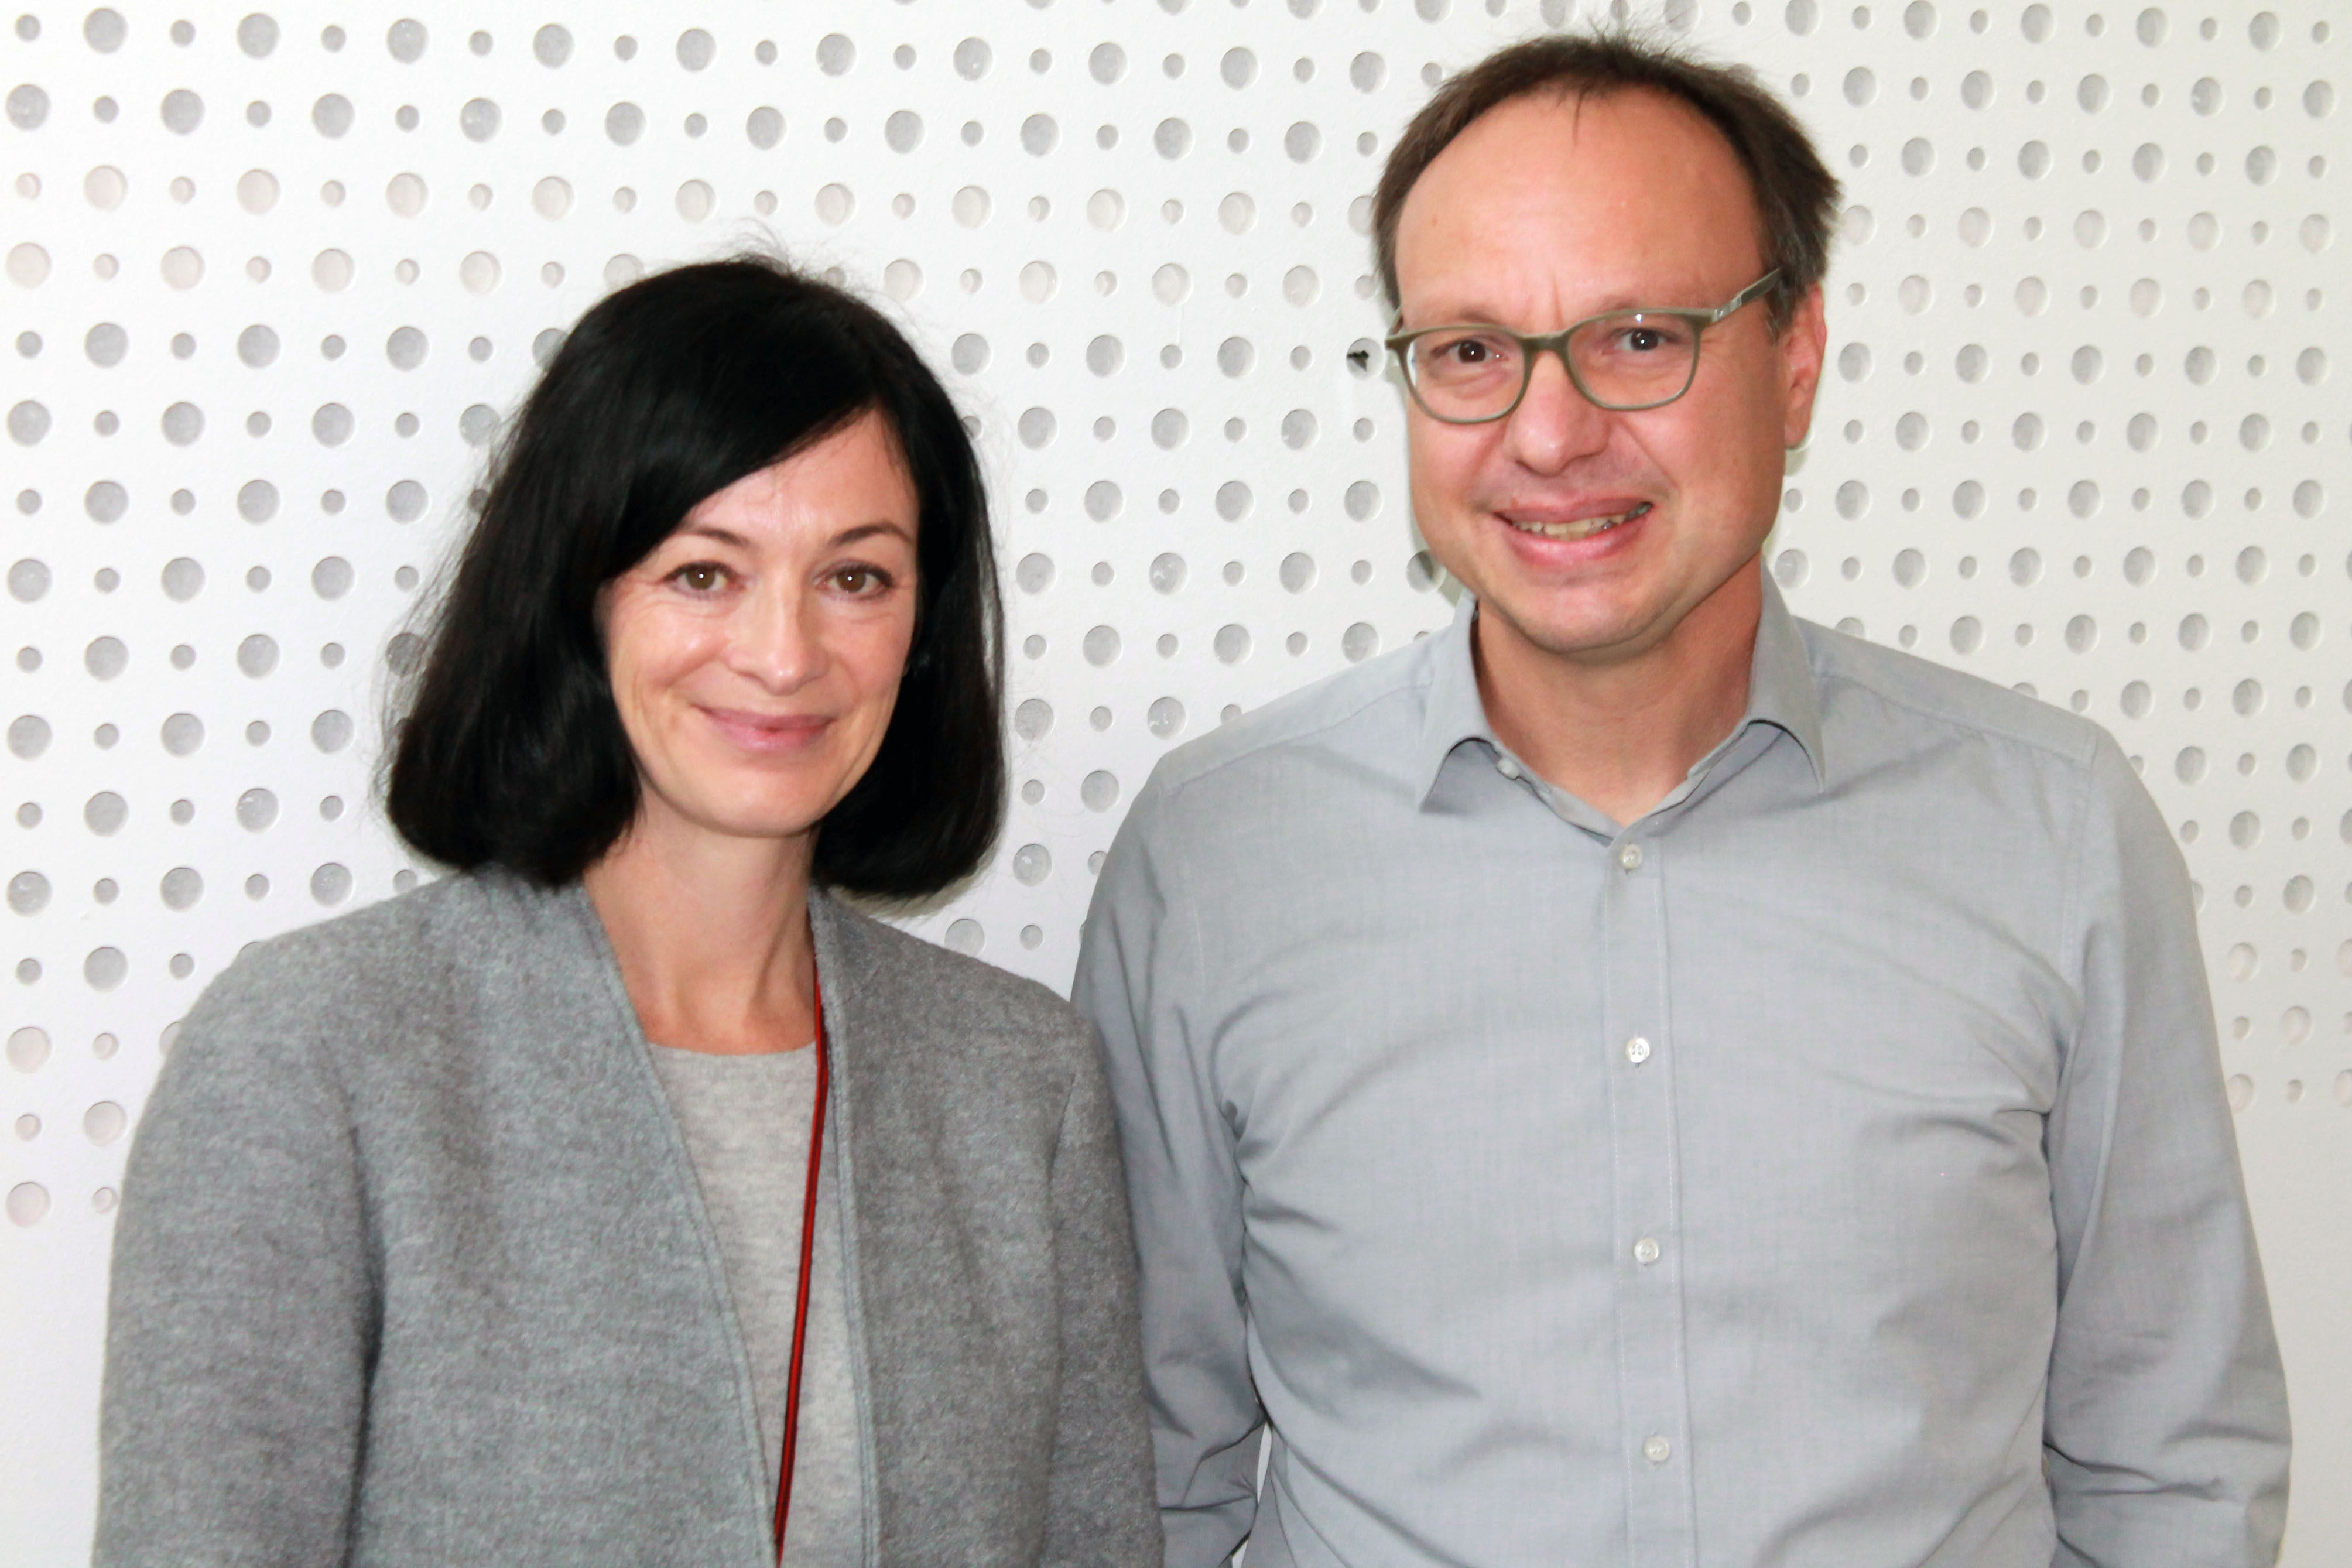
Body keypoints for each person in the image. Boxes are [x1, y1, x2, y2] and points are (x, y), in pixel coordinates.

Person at [1076, 33, 2289, 1568]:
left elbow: (2170, 1467)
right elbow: (1138, 1481)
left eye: (1639, 337)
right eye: (1469, 349)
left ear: (1795, 359)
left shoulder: (2055, 834)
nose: (1548, 432)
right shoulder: (1215, 861)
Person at [97, 257, 1160, 1566]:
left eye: (856, 577)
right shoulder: (314, 1052)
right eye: (704, 573)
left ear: (922, 630)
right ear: (578, 597)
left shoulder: (1019, 1080)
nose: (783, 654)